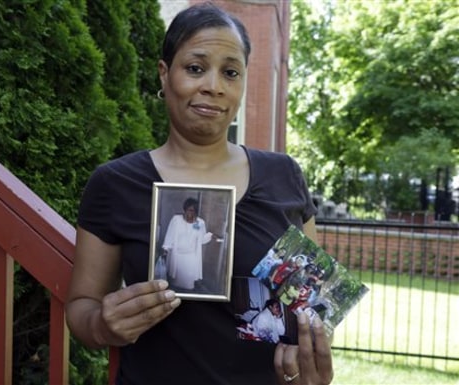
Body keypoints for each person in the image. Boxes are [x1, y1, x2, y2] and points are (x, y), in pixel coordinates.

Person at [65, 3, 333, 384]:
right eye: (195, 68)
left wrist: (308, 349)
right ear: (164, 73)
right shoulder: (115, 184)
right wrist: (102, 325)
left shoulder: (284, 176)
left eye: (230, 72)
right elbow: (81, 307)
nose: (213, 85)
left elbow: (314, 303)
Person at [161, 197, 213, 290]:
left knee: (189, 285)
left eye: (193, 211)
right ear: (185, 209)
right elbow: (170, 234)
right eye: (189, 210)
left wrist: (210, 236)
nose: (190, 213)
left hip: (191, 258)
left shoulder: (200, 223)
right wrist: (166, 248)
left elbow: (201, 239)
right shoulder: (176, 219)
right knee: (175, 283)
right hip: (177, 257)